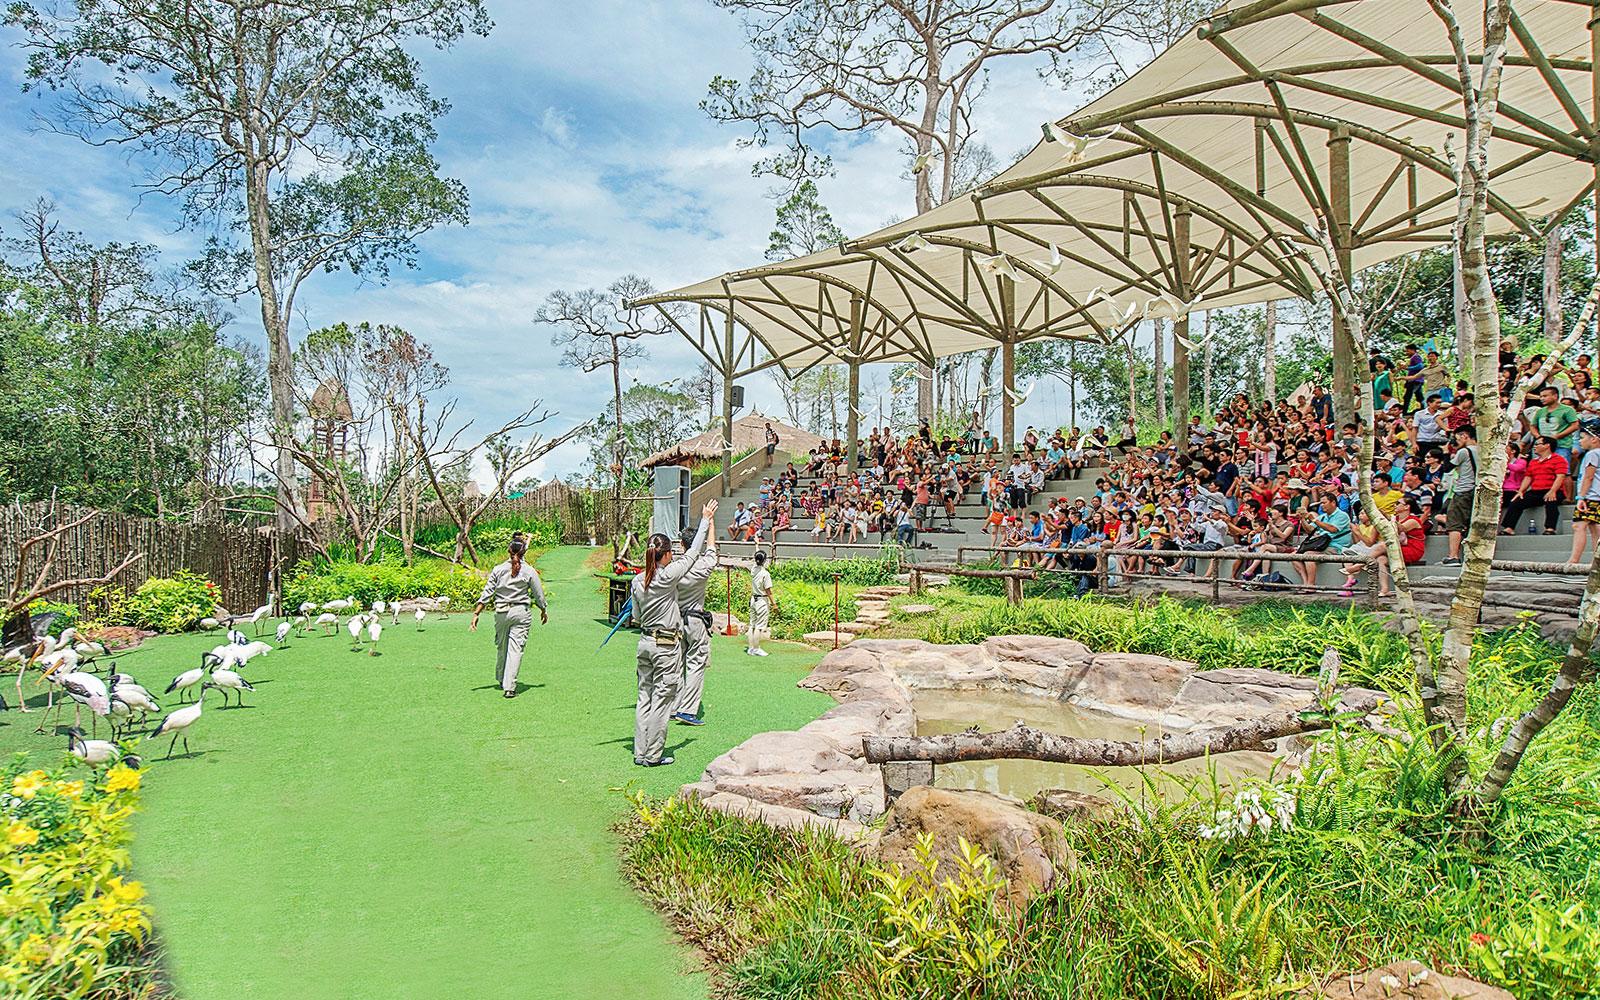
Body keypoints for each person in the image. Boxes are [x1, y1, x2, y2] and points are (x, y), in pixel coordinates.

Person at [629, 499, 717, 766]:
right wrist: (706, 520)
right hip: (665, 646)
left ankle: (640, 752)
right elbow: (693, 554)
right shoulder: (667, 577)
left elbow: (636, 617)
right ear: (667, 555)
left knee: (644, 698)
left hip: (644, 643)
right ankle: (653, 755)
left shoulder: (637, 581)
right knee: (661, 701)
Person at [470, 533, 548, 699]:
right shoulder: (529, 571)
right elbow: (539, 594)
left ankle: (501, 679)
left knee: (502, 646)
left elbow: (487, 593)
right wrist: (543, 609)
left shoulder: (498, 570)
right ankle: (510, 687)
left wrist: (477, 613)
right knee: (515, 649)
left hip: (501, 612)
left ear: (509, 551)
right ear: (524, 551)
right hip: (521, 613)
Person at [671, 524, 719, 728]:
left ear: (682, 545)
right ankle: (687, 709)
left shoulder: (675, 568)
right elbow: (712, 548)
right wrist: (710, 524)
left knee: (677, 664)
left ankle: (673, 707)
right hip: (696, 621)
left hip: (675, 620)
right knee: (696, 664)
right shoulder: (703, 566)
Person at [1441, 425, 1479, 566]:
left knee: (1454, 524)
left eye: (1457, 438)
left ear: (1464, 436)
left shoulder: (1464, 451)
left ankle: (1453, 556)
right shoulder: (1482, 450)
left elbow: (1447, 468)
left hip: (1463, 491)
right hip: (1476, 491)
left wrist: (1446, 452)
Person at [1567, 426, 1600, 564]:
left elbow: (1589, 476)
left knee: (1579, 526)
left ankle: (1573, 560)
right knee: (1596, 530)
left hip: (1590, 497)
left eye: (1582, 438)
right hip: (1597, 496)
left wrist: (1581, 497)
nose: (1579, 441)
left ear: (1594, 439)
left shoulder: (1593, 454)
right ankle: (1596, 562)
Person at [746, 550, 776, 657]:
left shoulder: (753, 570)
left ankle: (750, 648)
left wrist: (756, 545)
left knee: (752, 625)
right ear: (764, 561)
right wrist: (774, 604)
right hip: (762, 600)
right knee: (759, 626)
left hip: (753, 599)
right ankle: (756, 648)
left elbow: (757, 555)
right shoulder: (765, 574)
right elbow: (768, 590)